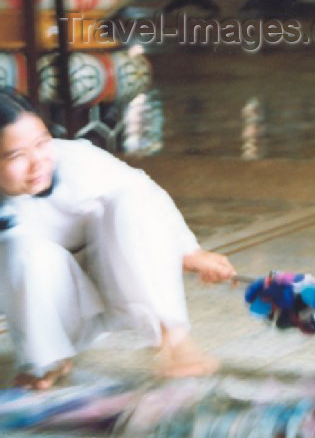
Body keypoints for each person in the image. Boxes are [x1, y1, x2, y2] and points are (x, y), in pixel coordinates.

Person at [0, 88, 237, 390]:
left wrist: (190, 251)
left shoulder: (78, 158)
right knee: (20, 250)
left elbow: (145, 196)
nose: (37, 162)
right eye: (16, 155)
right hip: (63, 317)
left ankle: (173, 340)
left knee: (130, 201)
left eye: (41, 143)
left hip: (125, 293)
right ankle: (48, 361)